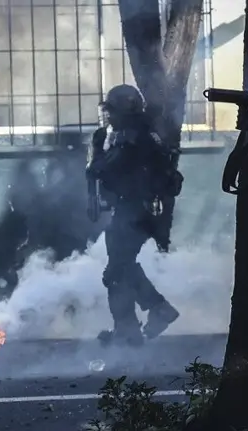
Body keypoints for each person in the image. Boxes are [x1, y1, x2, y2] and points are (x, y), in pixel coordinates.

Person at [86, 84, 182, 347]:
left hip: (141, 210)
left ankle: (155, 310)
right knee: (119, 269)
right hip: (127, 209)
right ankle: (127, 330)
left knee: (116, 270)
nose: (110, 117)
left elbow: (106, 167)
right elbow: (97, 170)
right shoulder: (119, 136)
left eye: (114, 112)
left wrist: (99, 159)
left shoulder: (139, 139)